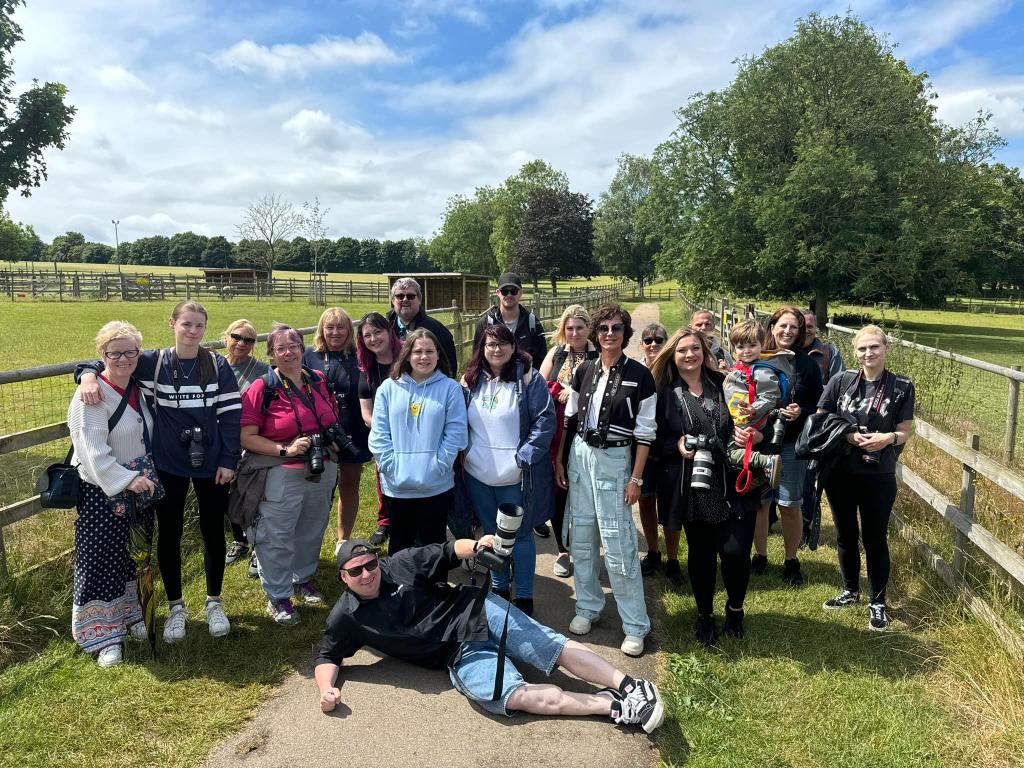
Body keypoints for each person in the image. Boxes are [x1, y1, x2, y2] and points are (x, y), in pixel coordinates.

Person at [315, 539, 665, 733]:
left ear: (379, 561)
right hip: (459, 657)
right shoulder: (347, 616)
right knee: (514, 698)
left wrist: (480, 545)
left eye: (371, 564)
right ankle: (614, 706)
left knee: (548, 646)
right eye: (356, 571)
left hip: (477, 611)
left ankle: (631, 685)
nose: (367, 574)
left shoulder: (403, 563)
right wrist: (326, 690)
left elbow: (452, 550)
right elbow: (328, 656)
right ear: (343, 578)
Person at [76, 300, 240, 643]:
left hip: (212, 464)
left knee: (212, 529)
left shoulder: (217, 364)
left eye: (199, 325)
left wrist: (228, 460)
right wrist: (87, 374)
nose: (192, 331)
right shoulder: (154, 362)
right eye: (186, 324)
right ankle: (176, 606)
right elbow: (112, 358)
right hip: (167, 463)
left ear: (205, 329)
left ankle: (213, 602)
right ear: (172, 325)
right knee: (170, 532)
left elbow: (230, 415)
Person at [555, 304, 656, 657]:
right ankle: (587, 607)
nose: (609, 334)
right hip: (581, 455)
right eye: (603, 329)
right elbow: (569, 420)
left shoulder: (640, 376)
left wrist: (636, 478)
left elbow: (645, 433)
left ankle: (635, 624)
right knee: (581, 536)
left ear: (625, 333)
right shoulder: (584, 370)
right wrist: (561, 460)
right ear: (596, 334)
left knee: (618, 542)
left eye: (616, 328)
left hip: (615, 458)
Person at [650, 327, 755, 644]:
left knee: (736, 553)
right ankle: (705, 615)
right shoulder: (664, 394)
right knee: (702, 555)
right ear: (672, 355)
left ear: (704, 351)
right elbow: (651, 439)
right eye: (682, 350)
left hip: (733, 481)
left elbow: (753, 418)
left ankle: (735, 610)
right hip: (694, 487)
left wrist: (750, 433)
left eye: (694, 348)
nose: (689, 355)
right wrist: (676, 444)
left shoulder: (726, 383)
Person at [68, 321, 158, 667]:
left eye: (129, 351)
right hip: (102, 492)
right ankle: (101, 635)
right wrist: (125, 480)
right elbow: (91, 452)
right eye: (114, 352)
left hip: (138, 489)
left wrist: (138, 480)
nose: (123, 358)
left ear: (139, 352)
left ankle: (129, 617)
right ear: (101, 354)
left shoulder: (138, 387)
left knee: (130, 559)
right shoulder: (90, 395)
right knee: (99, 561)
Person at [239, 324, 341, 625]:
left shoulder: (318, 380)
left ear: (303, 348)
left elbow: (330, 416)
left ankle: (303, 578)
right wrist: (285, 449)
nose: (288, 352)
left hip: (321, 466)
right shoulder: (263, 387)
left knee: (312, 527)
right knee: (277, 534)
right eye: (280, 347)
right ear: (271, 353)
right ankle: (278, 595)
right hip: (282, 470)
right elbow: (246, 437)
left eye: (294, 345)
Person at [817, 325, 915, 631]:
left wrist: (887, 438)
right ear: (854, 352)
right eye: (862, 348)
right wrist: (847, 435)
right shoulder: (842, 381)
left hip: (878, 473)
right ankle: (850, 590)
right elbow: (821, 417)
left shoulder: (902, 386)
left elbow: (905, 431)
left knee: (875, 537)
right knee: (845, 533)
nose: (868, 353)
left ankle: (878, 602)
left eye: (874, 347)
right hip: (840, 471)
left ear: (887, 348)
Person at [461, 324, 555, 616]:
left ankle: (524, 595)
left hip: (514, 474)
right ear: (482, 348)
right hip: (477, 474)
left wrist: (524, 456)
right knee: (491, 533)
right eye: (490, 344)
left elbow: (544, 420)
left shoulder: (528, 378)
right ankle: (500, 586)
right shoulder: (469, 380)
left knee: (522, 535)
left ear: (514, 347)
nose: (496, 349)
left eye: (503, 343)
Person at [368, 328, 468, 554]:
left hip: (436, 484)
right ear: (407, 355)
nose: (424, 357)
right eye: (418, 351)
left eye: (429, 351)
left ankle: (434, 588)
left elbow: (456, 433)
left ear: (438, 355)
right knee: (400, 544)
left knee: (434, 546)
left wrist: (439, 466)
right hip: (397, 486)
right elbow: (379, 434)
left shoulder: (450, 388)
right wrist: (390, 467)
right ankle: (401, 589)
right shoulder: (388, 388)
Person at [750, 307, 823, 586]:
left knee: (790, 503)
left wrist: (800, 411)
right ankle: (760, 554)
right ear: (772, 327)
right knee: (761, 503)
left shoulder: (808, 365)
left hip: (792, 442)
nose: (788, 332)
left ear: (801, 331)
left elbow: (818, 403)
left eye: (794, 327)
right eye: (783, 326)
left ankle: (792, 559)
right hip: (760, 441)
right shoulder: (758, 357)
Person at [303, 307, 372, 556]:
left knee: (349, 485)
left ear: (348, 330)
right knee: (318, 489)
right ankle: (310, 540)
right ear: (321, 329)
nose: (335, 332)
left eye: (340, 327)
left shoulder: (359, 357)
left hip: (352, 427)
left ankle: (343, 539)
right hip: (317, 433)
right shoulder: (308, 356)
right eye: (329, 327)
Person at [538, 304, 598, 577]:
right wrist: (556, 389)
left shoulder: (599, 355)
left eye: (580, 328)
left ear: (589, 329)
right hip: (557, 435)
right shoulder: (557, 353)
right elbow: (538, 387)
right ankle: (563, 550)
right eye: (570, 328)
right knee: (559, 491)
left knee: (586, 492)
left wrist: (574, 391)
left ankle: (587, 550)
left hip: (587, 433)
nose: (574, 333)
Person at [222, 319, 269, 572]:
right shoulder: (215, 366)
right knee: (227, 494)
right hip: (220, 440)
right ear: (226, 337)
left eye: (249, 340)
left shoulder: (261, 370)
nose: (242, 343)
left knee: (252, 492)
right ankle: (239, 540)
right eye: (237, 337)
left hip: (249, 439)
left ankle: (256, 547)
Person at [356, 311, 402, 548]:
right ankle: (386, 520)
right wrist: (388, 430)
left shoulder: (407, 358)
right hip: (385, 436)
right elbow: (366, 414)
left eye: (378, 332)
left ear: (389, 331)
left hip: (414, 432)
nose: (373, 338)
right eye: (367, 335)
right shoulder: (367, 369)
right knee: (384, 479)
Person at [800, 309, 845, 546]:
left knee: (808, 480)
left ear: (815, 328)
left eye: (810, 326)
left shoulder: (828, 353)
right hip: (789, 423)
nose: (805, 330)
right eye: (801, 326)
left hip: (816, 427)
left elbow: (839, 386)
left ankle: (805, 528)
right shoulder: (782, 352)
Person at [635, 323, 667, 578]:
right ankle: (654, 551)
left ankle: (674, 557)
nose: (653, 344)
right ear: (642, 344)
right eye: (648, 340)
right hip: (643, 446)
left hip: (668, 444)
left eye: (659, 340)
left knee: (669, 503)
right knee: (646, 500)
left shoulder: (672, 369)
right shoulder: (635, 370)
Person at [472, 272, 547, 370]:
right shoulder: (486, 323)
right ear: (498, 293)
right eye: (504, 291)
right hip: (493, 380)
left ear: (520, 293)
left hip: (525, 381)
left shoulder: (532, 323)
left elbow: (541, 360)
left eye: (513, 291)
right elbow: (477, 357)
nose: (509, 294)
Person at [386, 277, 459, 375]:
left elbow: (450, 367)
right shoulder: (385, 329)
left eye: (410, 296)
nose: (405, 299)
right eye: (400, 296)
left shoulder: (436, 330)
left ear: (420, 300)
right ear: (393, 301)